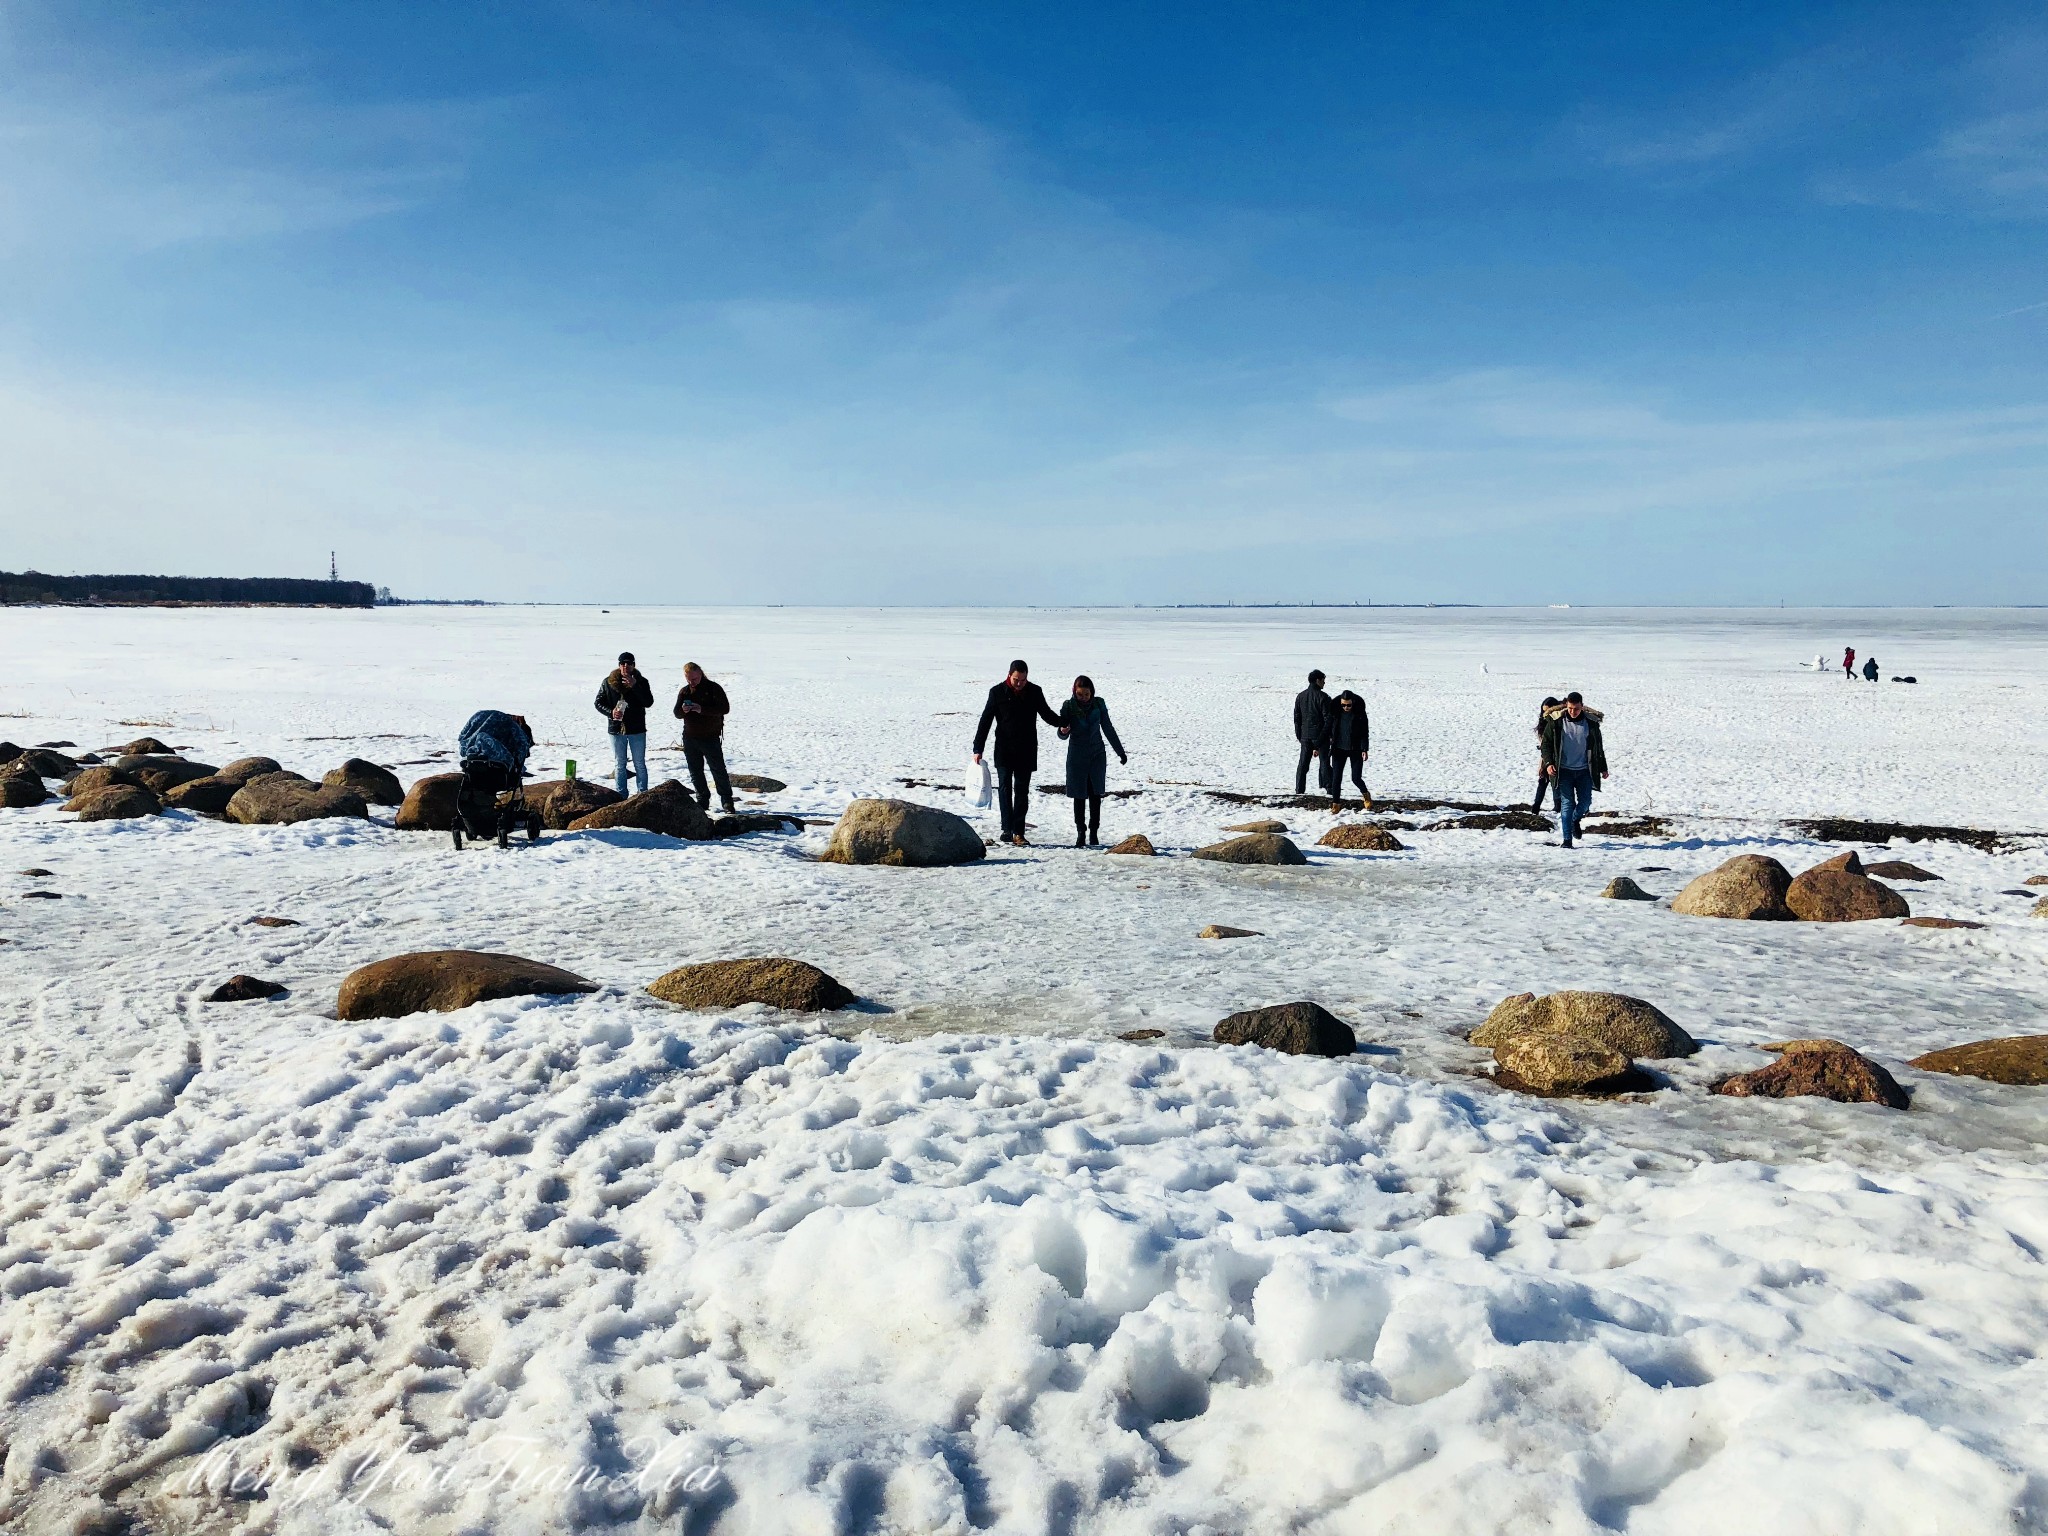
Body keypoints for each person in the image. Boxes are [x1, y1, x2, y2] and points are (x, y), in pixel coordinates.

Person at [973, 660, 1062, 845]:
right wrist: (978, 748)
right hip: (1004, 750)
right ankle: (1007, 828)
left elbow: (1046, 714)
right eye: (1016, 680)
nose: (1020, 683)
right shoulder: (997, 692)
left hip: (1026, 750)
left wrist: (1064, 722)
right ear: (1009, 675)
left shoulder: (1034, 691)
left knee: (1022, 791)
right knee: (1005, 789)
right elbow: (985, 721)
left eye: (1023, 680)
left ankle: (1018, 832)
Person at [1056, 675, 1127, 846]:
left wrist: (1120, 752)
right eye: (1080, 694)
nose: (1084, 698)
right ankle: (1081, 831)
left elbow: (1108, 728)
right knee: (1079, 795)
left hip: (1096, 754)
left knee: (1095, 793)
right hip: (1076, 755)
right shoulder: (1068, 706)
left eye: (1087, 694)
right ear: (1075, 692)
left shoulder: (1098, 704)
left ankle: (1094, 832)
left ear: (1092, 693)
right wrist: (1063, 731)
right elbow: (1061, 733)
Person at [1539, 691, 1609, 848]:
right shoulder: (1556, 722)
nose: (1573, 711)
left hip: (1584, 770)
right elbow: (1546, 744)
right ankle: (1567, 841)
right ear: (1566, 706)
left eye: (1576, 708)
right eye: (1570, 708)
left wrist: (1603, 768)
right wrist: (1549, 763)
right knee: (1567, 803)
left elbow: (1598, 748)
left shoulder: (1591, 724)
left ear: (1582, 707)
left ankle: (1574, 820)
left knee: (1585, 803)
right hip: (1563, 771)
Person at [672, 662, 734, 813]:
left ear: (700, 674)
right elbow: (676, 713)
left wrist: (702, 709)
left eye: (694, 679)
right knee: (695, 771)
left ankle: (727, 801)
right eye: (688, 679)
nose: (691, 682)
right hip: (690, 738)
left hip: (710, 737)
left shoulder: (713, 688)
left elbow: (725, 708)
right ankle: (702, 800)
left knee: (718, 770)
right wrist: (684, 710)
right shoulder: (685, 691)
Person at [594, 652, 653, 798]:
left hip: (637, 729)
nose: (625, 666)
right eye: (622, 663)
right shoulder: (608, 682)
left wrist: (635, 686)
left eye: (629, 663)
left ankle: (642, 794)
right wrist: (611, 712)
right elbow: (598, 703)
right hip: (616, 729)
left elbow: (648, 702)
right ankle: (621, 795)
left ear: (634, 665)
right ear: (619, 665)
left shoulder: (641, 681)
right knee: (619, 764)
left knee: (639, 763)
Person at [1326, 690, 1371, 808]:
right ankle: (1336, 803)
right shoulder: (1335, 713)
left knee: (1356, 778)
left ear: (1353, 703)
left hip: (1355, 749)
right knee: (1336, 778)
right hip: (1338, 750)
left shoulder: (1359, 713)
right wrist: (1316, 745)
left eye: (1348, 705)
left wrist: (1364, 749)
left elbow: (1364, 732)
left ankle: (1366, 794)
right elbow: (1327, 728)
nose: (1346, 707)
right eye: (1343, 705)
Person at [1293, 670, 1334, 796]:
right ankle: (1329, 789)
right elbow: (1329, 719)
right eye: (1323, 680)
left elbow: (1297, 718)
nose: (1324, 683)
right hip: (1321, 735)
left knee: (1303, 765)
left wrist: (1300, 735)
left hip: (1305, 735)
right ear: (1317, 680)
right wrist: (1330, 736)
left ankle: (1299, 790)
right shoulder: (1324, 697)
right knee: (1324, 763)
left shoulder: (1301, 696)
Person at [1531, 696, 1561, 811]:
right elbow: (1544, 746)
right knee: (1543, 780)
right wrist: (1542, 763)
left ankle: (1557, 807)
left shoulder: (1558, 722)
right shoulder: (1543, 723)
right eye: (1543, 711)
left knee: (1555, 780)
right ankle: (1536, 806)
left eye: (1547, 710)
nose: (1545, 713)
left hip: (1557, 756)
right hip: (1547, 756)